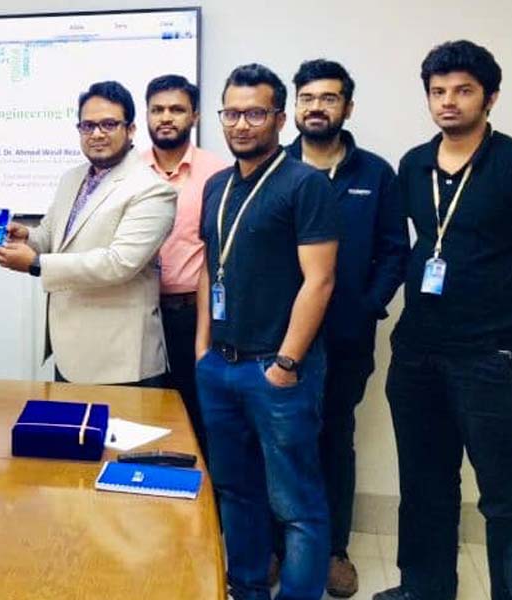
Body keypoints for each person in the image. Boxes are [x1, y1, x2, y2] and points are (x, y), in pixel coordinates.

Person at [374, 40, 512, 600]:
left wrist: (504, 318)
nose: (448, 101)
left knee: (503, 497)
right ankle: (424, 588)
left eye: (463, 90)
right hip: (417, 352)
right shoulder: (414, 163)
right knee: (424, 483)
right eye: (438, 91)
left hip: (490, 357)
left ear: (490, 97)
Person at [194, 64, 339, 600]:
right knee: (236, 493)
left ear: (280, 118)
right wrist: (202, 349)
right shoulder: (217, 185)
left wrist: (287, 363)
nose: (241, 124)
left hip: (277, 371)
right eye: (231, 113)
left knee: (297, 505)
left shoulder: (305, 184)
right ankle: (247, 588)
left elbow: (320, 281)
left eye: (255, 113)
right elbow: (210, 267)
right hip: (220, 366)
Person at [284, 59, 408, 598]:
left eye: (328, 98)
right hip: (280, 339)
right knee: (279, 439)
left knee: (335, 437)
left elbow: (395, 251)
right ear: (294, 107)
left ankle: (334, 549)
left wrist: (367, 306)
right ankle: (278, 545)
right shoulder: (274, 167)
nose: (316, 107)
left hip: (347, 339)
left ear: (347, 107)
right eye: (307, 98)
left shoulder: (375, 174)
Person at [0, 81, 175, 385]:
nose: (97, 134)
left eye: (109, 124)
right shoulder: (72, 178)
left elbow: (119, 263)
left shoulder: (152, 189)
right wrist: (27, 237)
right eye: (88, 126)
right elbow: (53, 237)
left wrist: (35, 264)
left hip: (119, 360)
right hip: (70, 351)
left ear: (130, 130)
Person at [141, 74, 225, 441]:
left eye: (176, 109)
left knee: (197, 416)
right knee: (145, 415)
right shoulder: (128, 171)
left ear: (195, 116)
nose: (165, 117)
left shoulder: (218, 172)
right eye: (157, 109)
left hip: (194, 313)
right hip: (137, 312)